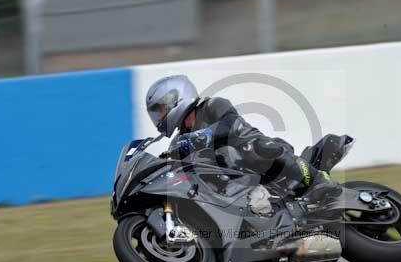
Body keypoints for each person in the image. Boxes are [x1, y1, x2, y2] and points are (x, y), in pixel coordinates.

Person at [145, 75, 340, 201]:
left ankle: (318, 180)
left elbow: (230, 125)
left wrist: (199, 137)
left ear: (176, 99)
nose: (159, 117)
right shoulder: (180, 140)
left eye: (160, 110)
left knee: (253, 145)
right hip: (230, 185)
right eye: (156, 113)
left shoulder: (212, 105)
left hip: (258, 160)